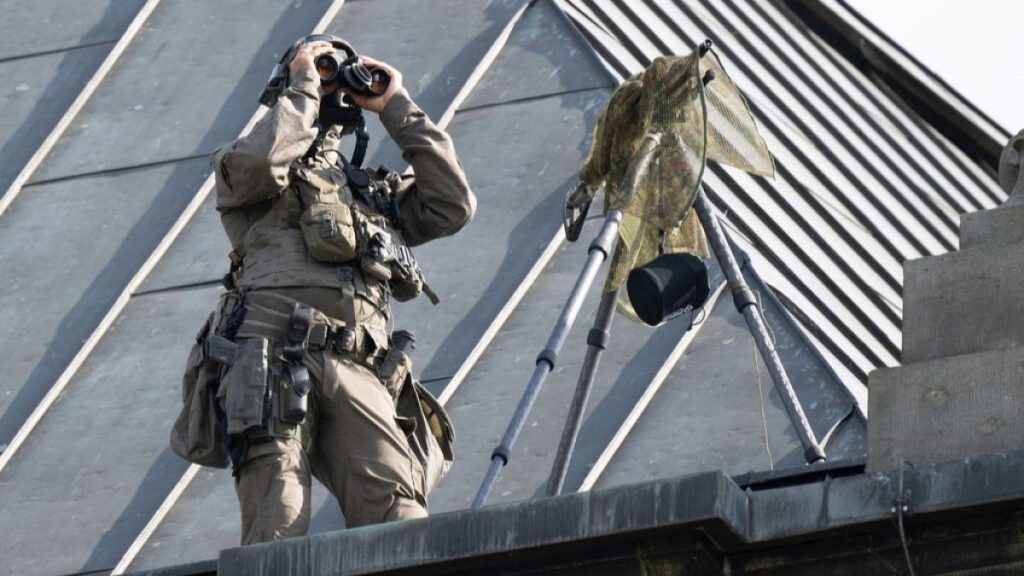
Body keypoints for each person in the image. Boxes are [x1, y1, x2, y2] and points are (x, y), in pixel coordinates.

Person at [206, 34, 474, 544]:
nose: (333, 80)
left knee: (401, 518)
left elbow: (452, 205)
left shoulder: (371, 191)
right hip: (273, 360)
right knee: (278, 522)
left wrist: (396, 105)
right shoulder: (243, 168)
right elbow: (267, 161)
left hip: (360, 367)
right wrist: (305, 82)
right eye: (324, 67)